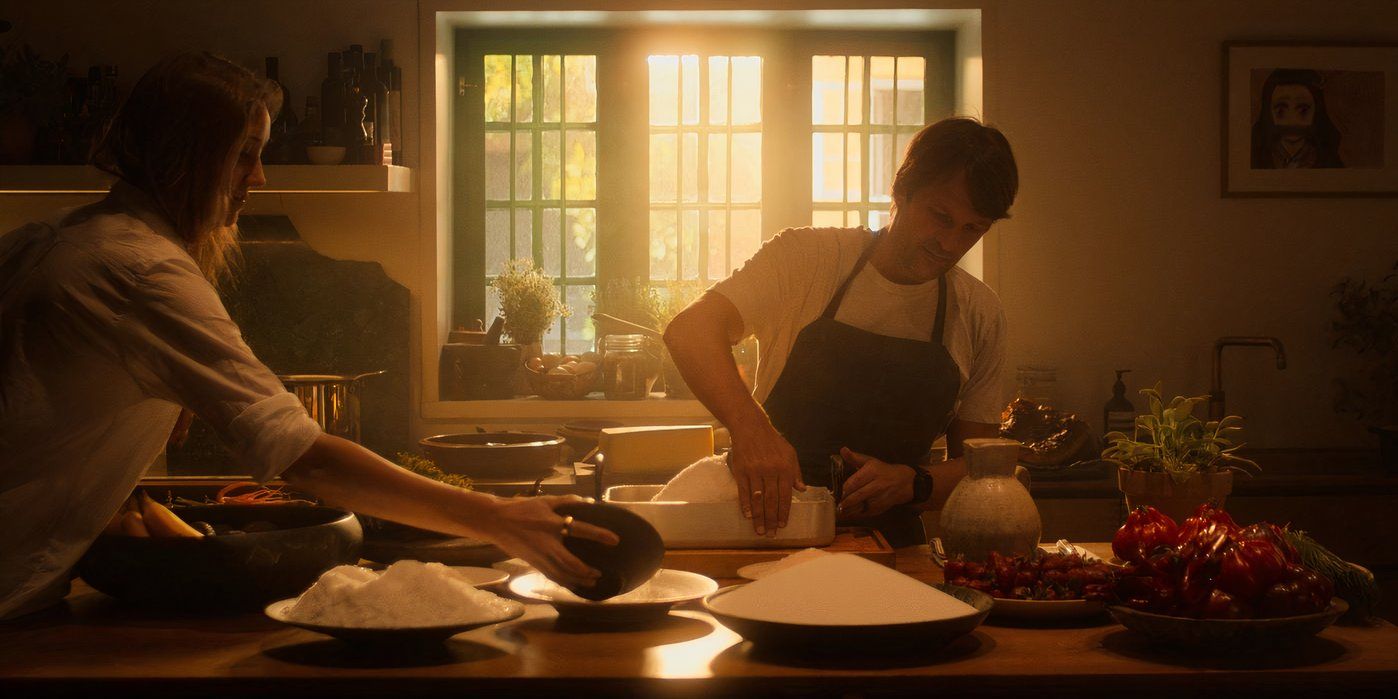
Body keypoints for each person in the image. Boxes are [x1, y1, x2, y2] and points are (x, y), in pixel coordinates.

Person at [0, 53, 615, 621]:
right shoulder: (143, 271)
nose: (260, 178)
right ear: (185, 154)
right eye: (244, 154)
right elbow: (307, 460)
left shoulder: (53, 239)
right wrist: (500, 519)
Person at [664, 117, 1018, 547]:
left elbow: (981, 468)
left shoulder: (979, 312)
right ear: (901, 191)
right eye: (940, 216)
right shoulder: (809, 258)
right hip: (769, 532)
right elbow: (690, 329)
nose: (949, 243)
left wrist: (914, 483)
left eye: (972, 229)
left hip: (891, 548)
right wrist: (751, 429)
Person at [1250, 68, 1344, 169]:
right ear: (1268, 112)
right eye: (1280, 111)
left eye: (1303, 110)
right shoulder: (1258, 160)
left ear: (1316, 112)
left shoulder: (1329, 162)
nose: (1292, 120)